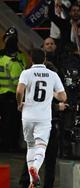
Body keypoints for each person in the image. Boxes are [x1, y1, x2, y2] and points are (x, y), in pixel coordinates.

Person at [19, 38, 68, 188]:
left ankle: (29, 180)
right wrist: (57, 106)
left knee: (31, 147)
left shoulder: (28, 74)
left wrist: (19, 104)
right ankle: (38, 180)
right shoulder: (52, 76)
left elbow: (20, 92)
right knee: (45, 151)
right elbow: (62, 97)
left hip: (29, 116)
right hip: (47, 120)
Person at [0, 26, 28, 152]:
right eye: (9, 38)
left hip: (16, 95)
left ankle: (12, 145)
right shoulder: (2, 57)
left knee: (15, 122)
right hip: (6, 95)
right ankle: (7, 145)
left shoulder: (21, 56)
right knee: (7, 122)